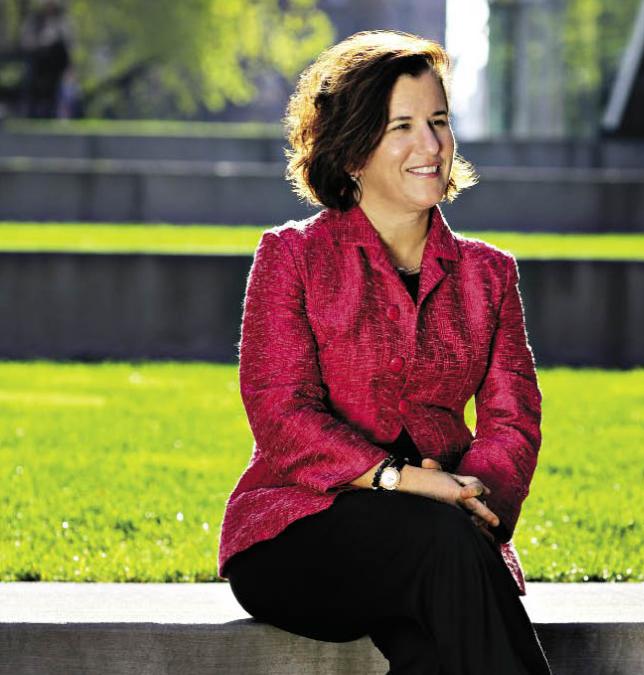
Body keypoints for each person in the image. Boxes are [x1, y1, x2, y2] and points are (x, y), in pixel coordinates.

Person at [218, 30, 553, 674]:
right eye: (402, 126)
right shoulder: (291, 258)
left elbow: (514, 419)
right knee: (439, 547)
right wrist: (405, 480)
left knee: (436, 615)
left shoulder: (489, 274)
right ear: (352, 150)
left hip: (449, 533)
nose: (431, 146)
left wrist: (477, 496)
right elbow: (281, 415)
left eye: (439, 122)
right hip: (300, 532)